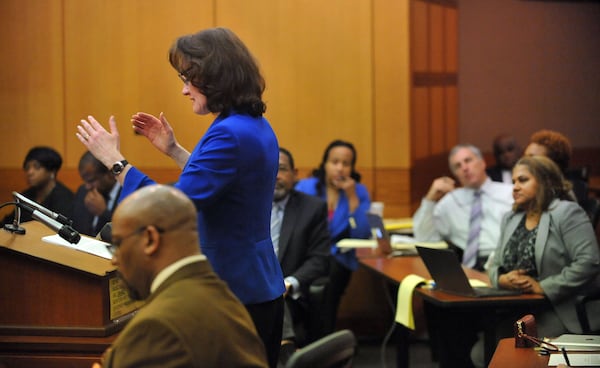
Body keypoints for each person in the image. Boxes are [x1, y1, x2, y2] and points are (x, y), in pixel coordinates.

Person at [76, 27, 285, 368]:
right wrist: (173, 150)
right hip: (256, 286)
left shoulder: (229, 133)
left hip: (234, 291)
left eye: (189, 78)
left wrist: (115, 161)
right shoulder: (251, 124)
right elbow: (226, 186)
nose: (184, 89)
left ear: (216, 77)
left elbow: (168, 210)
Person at [92, 184, 268, 368]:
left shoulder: (157, 327)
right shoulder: (225, 299)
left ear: (150, 239)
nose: (114, 259)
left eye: (118, 244)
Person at [477, 156, 600, 367]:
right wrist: (503, 278)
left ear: (545, 181)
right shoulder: (511, 217)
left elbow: (588, 262)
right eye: (513, 182)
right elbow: (495, 262)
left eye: (522, 180)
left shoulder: (566, 213)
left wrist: (542, 286)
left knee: (504, 354)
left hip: (561, 308)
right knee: (481, 352)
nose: (514, 187)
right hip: (519, 308)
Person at [295, 139, 371, 335]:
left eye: (346, 164)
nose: (340, 168)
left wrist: (352, 196)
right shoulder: (305, 188)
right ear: (325, 164)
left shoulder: (358, 192)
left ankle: (321, 342)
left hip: (338, 259)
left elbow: (361, 235)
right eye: (335, 162)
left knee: (330, 282)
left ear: (352, 168)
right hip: (307, 254)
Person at [413, 143, 513, 271]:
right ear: (455, 174)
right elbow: (425, 238)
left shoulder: (509, 193)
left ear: (482, 163)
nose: (464, 168)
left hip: (503, 265)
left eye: (468, 161)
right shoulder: (451, 202)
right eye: (457, 166)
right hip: (467, 269)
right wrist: (430, 199)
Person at [271, 147, 330, 364]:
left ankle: (285, 351)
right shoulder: (247, 206)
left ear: (295, 174)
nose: (275, 175)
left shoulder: (312, 208)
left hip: (291, 294)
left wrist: (290, 282)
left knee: (274, 292)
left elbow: (320, 258)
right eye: (269, 169)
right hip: (249, 289)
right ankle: (287, 352)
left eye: (282, 169)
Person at [3, 146, 73, 225]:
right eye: (27, 168)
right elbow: (8, 222)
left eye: (36, 167)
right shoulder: (26, 196)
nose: (30, 172)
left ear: (52, 171)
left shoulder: (65, 198)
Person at [523, 129, 587, 203]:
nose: (523, 163)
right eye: (524, 157)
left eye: (532, 158)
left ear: (553, 166)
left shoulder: (564, 200)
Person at [71, 151, 121, 236]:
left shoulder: (130, 194)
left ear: (110, 174)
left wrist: (104, 213)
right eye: (85, 181)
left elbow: (126, 233)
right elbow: (75, 228)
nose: (87, 186)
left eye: (91, 181)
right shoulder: (83, 192)